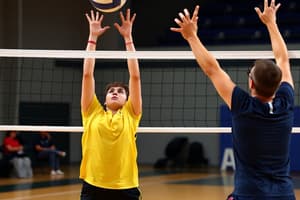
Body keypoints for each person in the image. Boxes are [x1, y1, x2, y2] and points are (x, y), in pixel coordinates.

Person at [171, 0, 295, 199]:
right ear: (279, 83)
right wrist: (272, 23)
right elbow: (283, 59)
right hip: (284, 195)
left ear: (251, 84)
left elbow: (212, 69)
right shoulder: (286, 103)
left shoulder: (243, 105)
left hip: (249, 194)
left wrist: (191, 36)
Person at [80, 8, 142, 200]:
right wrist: (92, 37)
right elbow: (87, 75)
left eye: (120, 91)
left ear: (127, 99)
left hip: (125, 186)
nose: (115, 92)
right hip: (93, 185)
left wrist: (128, 38)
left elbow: (135, 76)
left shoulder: (131, 113)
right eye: (111, 91)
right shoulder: (92, 112)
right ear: (104, 99)